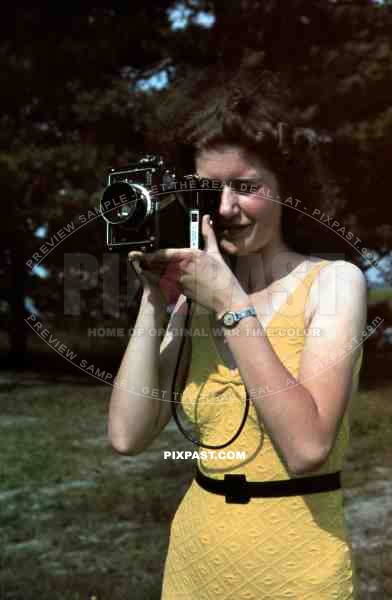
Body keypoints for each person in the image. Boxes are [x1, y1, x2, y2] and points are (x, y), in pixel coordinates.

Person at [108, 67, 367, 599]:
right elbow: (127, 436)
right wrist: (156, 300)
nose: (225, 208)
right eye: (210, 190)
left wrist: (230, 302)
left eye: (246, 187)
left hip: (297, 569)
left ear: (286, 188)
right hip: (194, 562)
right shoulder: (194, 298)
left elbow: (307, 447)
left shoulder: (334, 283)